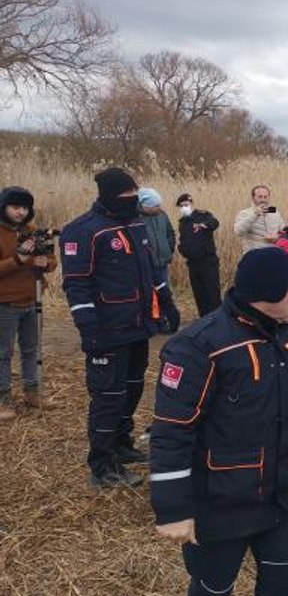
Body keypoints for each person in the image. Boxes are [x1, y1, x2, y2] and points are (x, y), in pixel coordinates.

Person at [149, 247, 288, 596]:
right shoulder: (198, 347)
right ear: (266, 295)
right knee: (211, 593)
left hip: (280, 498)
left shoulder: (285, 332)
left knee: (279, 592)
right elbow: (172, 431)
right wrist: (173, 510)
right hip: (221, 505)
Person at [60, 167, 180, 488]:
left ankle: (121, 443)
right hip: (107, 331)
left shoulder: (136, 224)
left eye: (134, 196)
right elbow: (76, 285)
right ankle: (102, 464)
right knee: (108, 396)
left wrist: (167, 302)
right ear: (110, 196)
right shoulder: (83, 231)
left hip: (138, 327)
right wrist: (90, 330)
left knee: (132, 387)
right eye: (126, 196)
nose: (132, 201)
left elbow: (152, 268)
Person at [0, 186, 57, 420]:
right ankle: (3, 397)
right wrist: (18, 259)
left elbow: (52, 262)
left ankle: (32, 392)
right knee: (3, 352)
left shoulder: (34, 231)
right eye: (15, 207)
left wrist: (45, 263)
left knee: (32, 348)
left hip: (33, 300)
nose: (20, 212)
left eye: (25, 208)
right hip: (5, 303)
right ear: (4, 207)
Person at [176, 193, 222, 317]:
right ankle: (204, 319)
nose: (184, 207)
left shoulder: (203, 215)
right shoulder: (183, 222)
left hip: (208, 261)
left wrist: (204, 225)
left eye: (186, 204)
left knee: (212, 292)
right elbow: (182, 240)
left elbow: (215, 222)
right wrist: (182, 249)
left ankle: (217, 319)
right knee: (199, 293)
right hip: (192, 263)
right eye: (181, 206)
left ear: (191, 204)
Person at [138, 188, 177, 287]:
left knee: (165, 293)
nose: (159, 207)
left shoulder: (162, 215)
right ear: (145, 206)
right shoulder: (135, 219)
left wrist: (169, 249)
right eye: (156, 205)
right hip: (146, 267)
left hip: (163, 263)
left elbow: (170, 233)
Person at [234, 184, 285, 254]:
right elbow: (238, 231)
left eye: (265, 197)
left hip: (273, 255)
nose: (263, 200)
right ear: (253, 198)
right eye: (260, 197)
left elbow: (284, 231)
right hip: (253, 255)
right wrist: (255, 214)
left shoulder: (274, 212)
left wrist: (277, 237)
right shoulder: (245, 213)